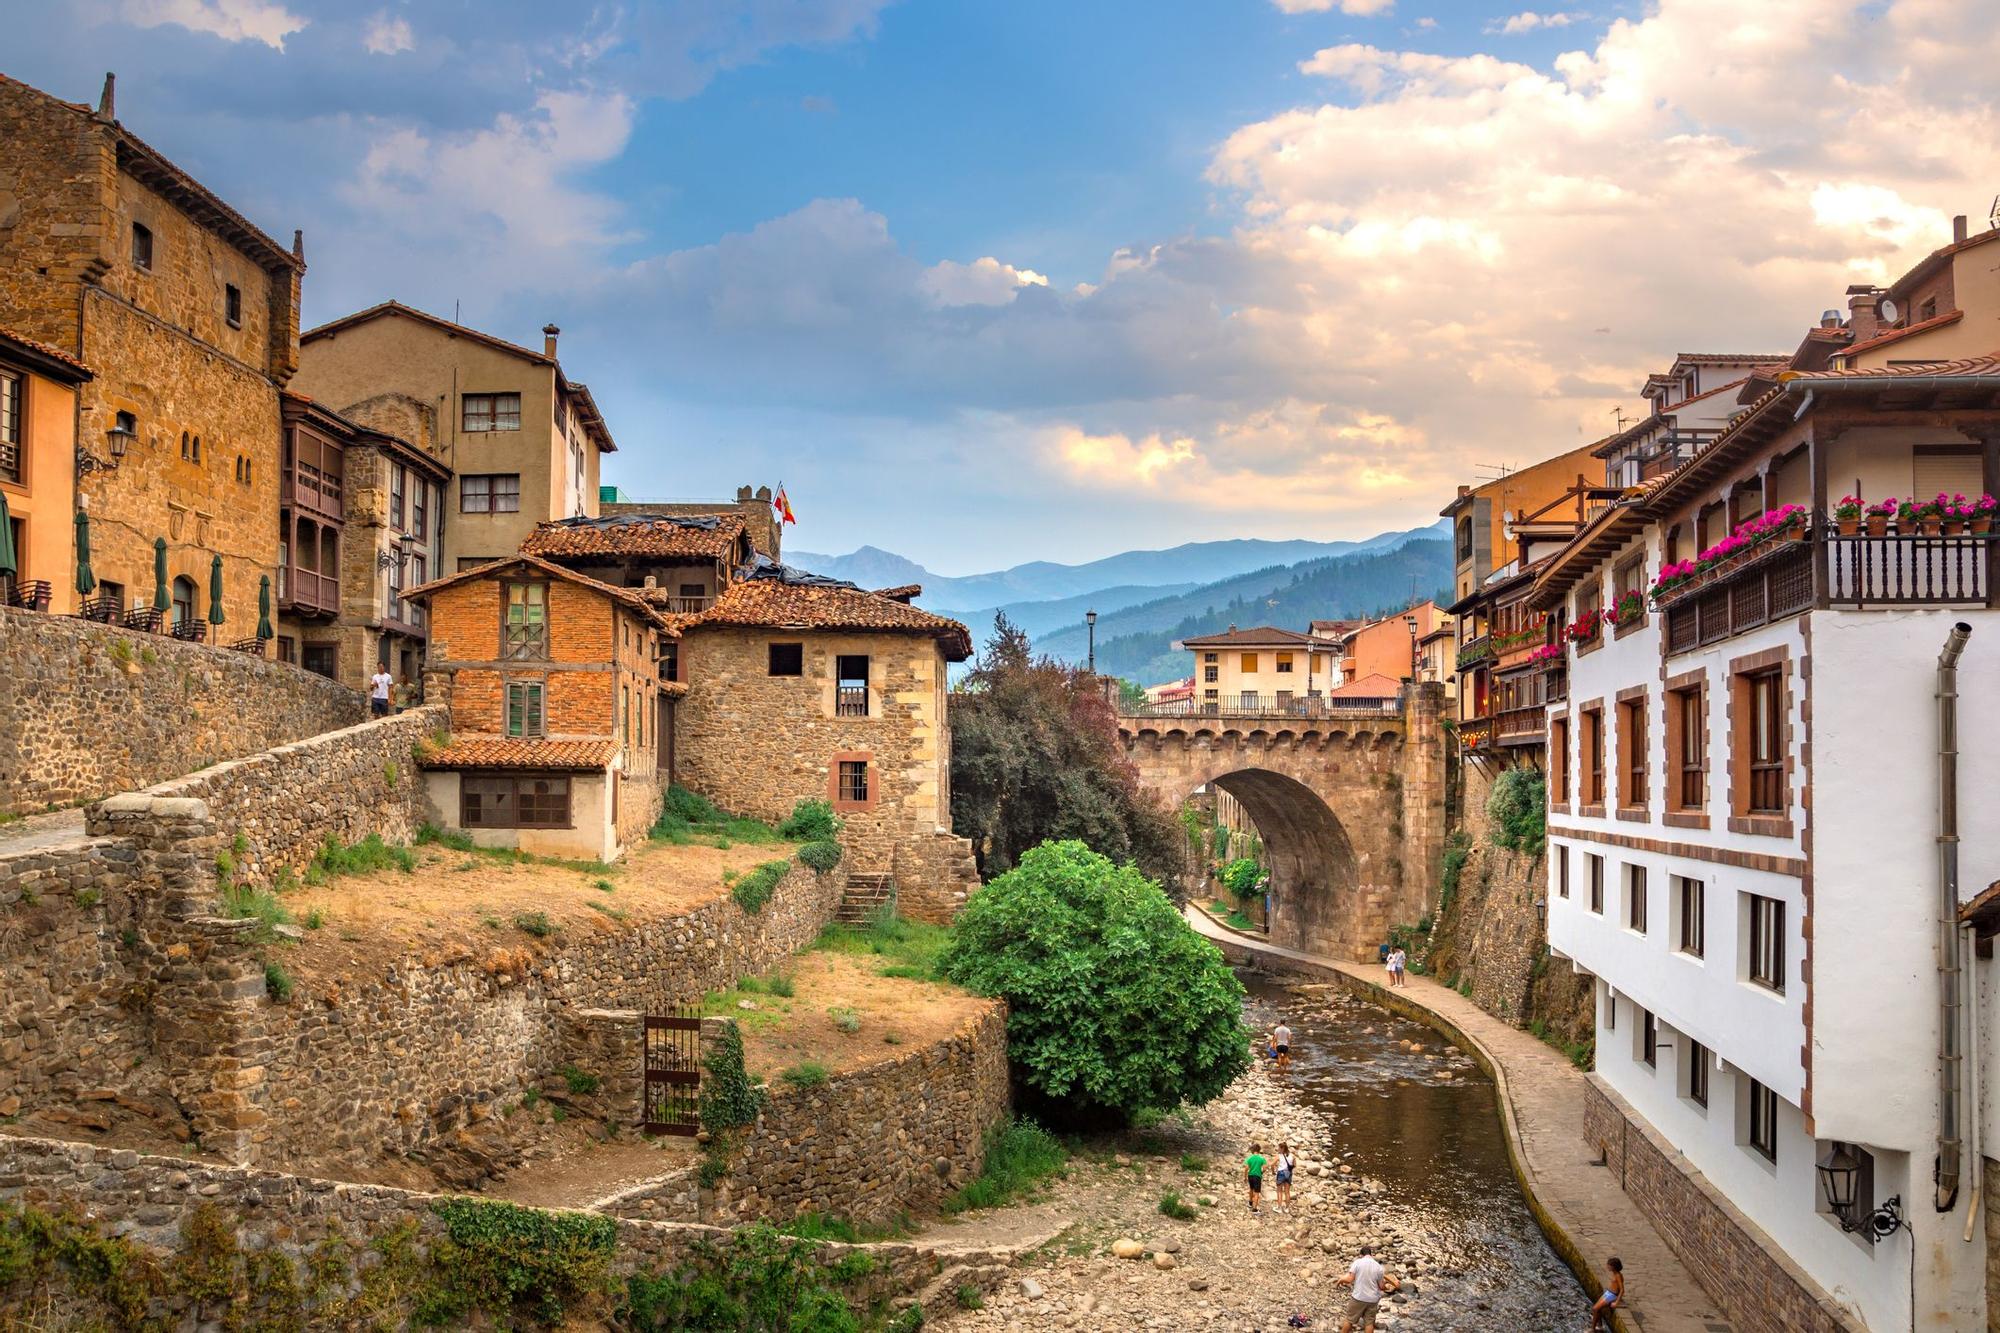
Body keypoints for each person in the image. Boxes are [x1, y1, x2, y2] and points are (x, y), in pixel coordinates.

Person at [1335, 1244, 1398, 1332]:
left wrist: (1340, 1280)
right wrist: (1387, 1287)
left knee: (1349, 1320)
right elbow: (1381, 1286)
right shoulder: (1378, 1267)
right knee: (1369, 1324)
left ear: (1361, 1254)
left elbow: (1349, 1279)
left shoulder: (1358, 1262)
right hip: (1372, 1300)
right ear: (1370, 1254)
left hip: (1359, 1297)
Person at [1589, 1256, 1624, 1329]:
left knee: (1595, 1309)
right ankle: (1600, 1326)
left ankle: (1592, 1329)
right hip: (1608, 1292)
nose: (1607, 1266)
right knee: (1595, 1309)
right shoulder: (1614, 1273)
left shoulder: (1618, 1276)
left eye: (1609, 1265)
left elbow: (1622, 1290)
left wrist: (1616, 1302)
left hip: (1612, 1295)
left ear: (1614, 1267)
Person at [1245, 1141, 1267, 1214]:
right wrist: (1261, 1172)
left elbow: (1246, 1168)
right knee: (1257, 1192)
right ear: (1259, 1150)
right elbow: (1264, 1168)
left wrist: (1245, 1177)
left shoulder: (1249, 1158)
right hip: (1257, 1176)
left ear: (1253, 1150)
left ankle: (1250, 1202)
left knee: (1251, 1189)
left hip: (1250, 1175)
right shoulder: (1261, 1159)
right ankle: (1254, 1209)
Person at [1274, 1141, 1295, 1212]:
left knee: (1279, 1191)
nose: (1278, 1149)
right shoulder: (1292, 1156)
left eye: (1279, 1148)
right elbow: (1294, 1165)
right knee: (1287, 1192)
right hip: (1288, 1174)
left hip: (1281, 1173)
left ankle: (1279, 1208)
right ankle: (1287, 1208)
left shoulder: (1279, 1156)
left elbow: (1272, 1164)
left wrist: (1273, 1171)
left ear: (1282, 1148)